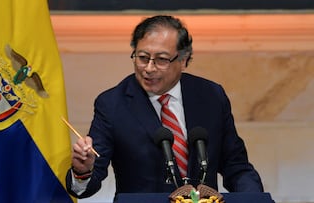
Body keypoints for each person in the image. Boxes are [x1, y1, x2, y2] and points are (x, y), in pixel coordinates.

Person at [66, 15, 264, 200]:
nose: (149, 68)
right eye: (143, 57)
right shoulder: (112, 104)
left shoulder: (211, 96)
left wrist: (254, 199)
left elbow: (236, 166)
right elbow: (87, 183)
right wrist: (82, 171)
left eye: (161, 60)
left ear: (184, 60)